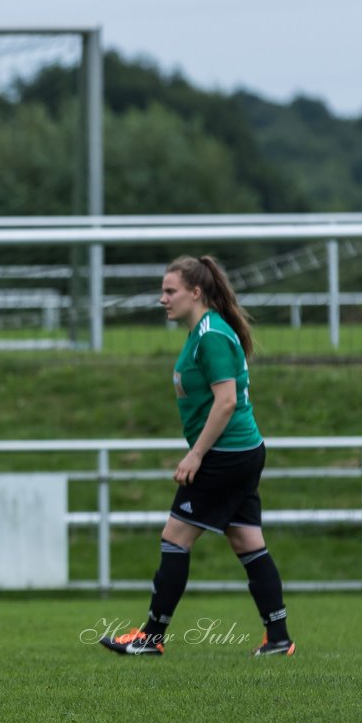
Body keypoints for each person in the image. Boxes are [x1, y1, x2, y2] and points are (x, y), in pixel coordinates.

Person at [100, 255, 295, 657]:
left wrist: (195, 456)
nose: (162, 299)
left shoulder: (209, 336)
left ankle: (151, 639)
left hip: (226, 454)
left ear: (195, 292)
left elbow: (224, 403)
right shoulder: (204, 332)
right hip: (241, 452)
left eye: (170, 291)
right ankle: (278, 639)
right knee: (246, 540)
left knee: (175, 537)